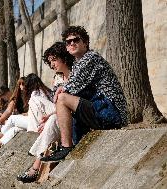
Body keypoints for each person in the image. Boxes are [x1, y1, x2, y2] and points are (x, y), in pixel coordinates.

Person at [40, 26, 128, 163]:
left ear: (85, 42)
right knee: (66, 102)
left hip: (110, 112)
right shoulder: (76, 64)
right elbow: (66, 91)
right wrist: (61, 88)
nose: (72, 43)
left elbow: (70, 89)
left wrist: (62, 88)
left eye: (76, 40)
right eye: (68, 42)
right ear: (67, 48)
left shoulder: (91, 58)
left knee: (63, 99)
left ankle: (66, 147)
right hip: (101, 110)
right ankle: (72, 145)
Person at [17, 42, 74, 183]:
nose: (52, 65)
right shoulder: (59, 79)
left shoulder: (76, 73)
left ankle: (35, 167)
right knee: (52, 118)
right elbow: (58, 105)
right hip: (63, 114)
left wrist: (50, 117)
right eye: (50, 62)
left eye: (54, 60)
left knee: (46, 111)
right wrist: (48, 117)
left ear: (64, 57)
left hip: (76, 114)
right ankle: (36, 166)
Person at [0, 73, 54, 156]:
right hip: (39, 121)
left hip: (37, 123)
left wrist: (1, 120)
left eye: (25, 84)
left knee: (13, 118)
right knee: (14, 129)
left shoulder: (36, 93)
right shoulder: (44, 92)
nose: (23, 87)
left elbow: (40, 111)